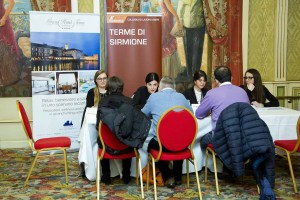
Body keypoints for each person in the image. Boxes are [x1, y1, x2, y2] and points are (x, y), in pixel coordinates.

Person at [141, 76, 192, 188]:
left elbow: (143, 114)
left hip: (162, 144)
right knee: (179, 140)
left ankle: (168, 175)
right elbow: (191, 115)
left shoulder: (154, 97)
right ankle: (178, 176)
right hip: (182, 143)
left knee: (150, 145)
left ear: (160, 87)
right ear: (174, 88)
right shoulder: (182, 97)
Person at [195, 66, 250, 150]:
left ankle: (212, 162)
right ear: (231, 78)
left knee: (202, 140)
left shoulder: (211, 93)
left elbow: (199, 114)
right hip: (242, 137)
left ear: (216, 80)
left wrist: (210, 111)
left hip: (221, 138)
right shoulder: (242, 92)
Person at [96, 76, 133, 185]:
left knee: (101, 137)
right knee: (127, 135)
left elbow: (98, 126)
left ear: (108, 88)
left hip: (107, 145)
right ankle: (126, 176)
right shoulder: (129, 102)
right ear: (122, 88)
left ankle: (106, 176)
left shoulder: (102, 102)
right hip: (125, 145)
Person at [79, 70, 108, 178]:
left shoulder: (110, 91)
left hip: (107, 123)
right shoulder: (92, 92)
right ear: (96, 80)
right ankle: (87, 165)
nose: (102, 81)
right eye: (100, 79)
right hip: (93, 123)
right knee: (89, 140)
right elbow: (89, 108)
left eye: (104, 78)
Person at [0, 0, 21, 87]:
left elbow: (11, 3)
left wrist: (4, 18)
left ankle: (7, 78)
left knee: (5, 48)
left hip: (1, 20)